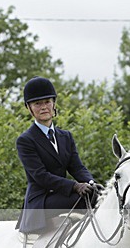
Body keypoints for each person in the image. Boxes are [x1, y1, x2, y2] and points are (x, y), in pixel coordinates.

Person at [15, 76, 97, 234]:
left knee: (98, 196)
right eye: (37, 103)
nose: (43, 107)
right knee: (83, 199)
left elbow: (77, 167)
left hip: (61, 195)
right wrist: (74, 186)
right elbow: (40, 176)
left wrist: (91, 183)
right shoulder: (25, 140)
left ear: (54, 104)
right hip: (40, 201)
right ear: (29, 108)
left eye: (47, 102)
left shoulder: (65, 136)